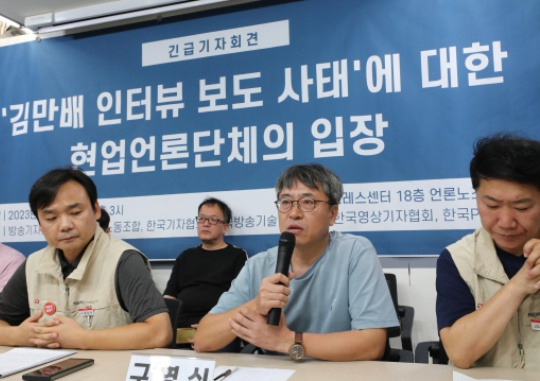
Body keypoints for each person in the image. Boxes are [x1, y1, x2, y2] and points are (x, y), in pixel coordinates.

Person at [194, 163, 398, 361]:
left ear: (332, 214)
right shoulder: (258, 265)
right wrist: (256, 304)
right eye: (286, 202)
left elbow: (373, 344)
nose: (294, 213)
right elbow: (203, 339)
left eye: (308, 202)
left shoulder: (355, 252)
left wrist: (287, 341)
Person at [0, 168, 172, 349]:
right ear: (40, 225)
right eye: (51, 218)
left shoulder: (123, 260)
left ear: (96, 210)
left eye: (75, 213)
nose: (65, 225)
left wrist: (81, 338)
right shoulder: (33, 265)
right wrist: (18, 335)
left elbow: (160, 332)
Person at [436, 134, 540, 369]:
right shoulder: (458, 259)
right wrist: (520, 284)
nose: (505, 221)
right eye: (491, 205)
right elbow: (460, 353)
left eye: (522, 207)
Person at [163, 197, 248, 340]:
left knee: (201, 339)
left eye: (213, 220)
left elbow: (241, 300)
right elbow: (169, 295)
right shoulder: (186, 256)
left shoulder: (237, 256)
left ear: (225, 227)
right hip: (180, 328)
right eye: (202, 219)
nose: (206, 224)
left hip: (217, 327)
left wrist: (211, 325)